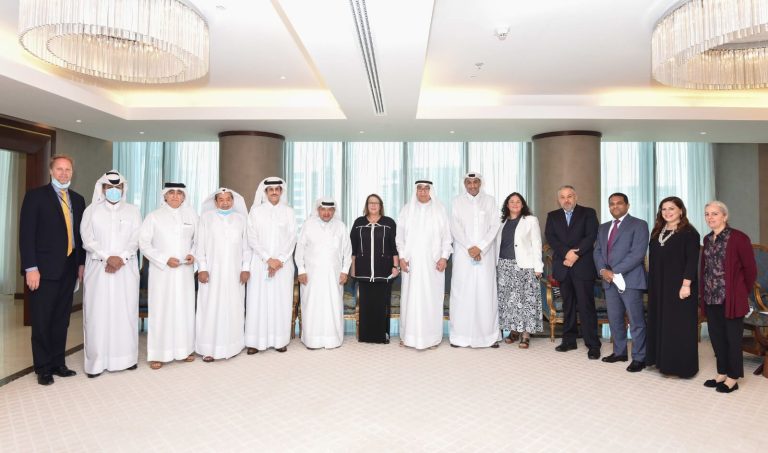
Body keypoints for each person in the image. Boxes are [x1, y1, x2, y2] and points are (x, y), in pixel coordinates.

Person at [19, 154, 86, 385]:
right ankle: (43, 367)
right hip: (42, 271)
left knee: (61, 319)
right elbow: (26, 235)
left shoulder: (78, 199)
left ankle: (58, 363)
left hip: (69, 268)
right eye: (59, 169)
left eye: (68, 170)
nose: (64, 173)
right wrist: (31, 268)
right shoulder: (35, 197)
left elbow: (80, 236)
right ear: (51, 171)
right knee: (42, 320)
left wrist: (81, 264)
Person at [80, 171, 142, 378]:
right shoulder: (91, 211)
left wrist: (120, 258)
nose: (114, 191)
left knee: (125, 313)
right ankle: (96, 362)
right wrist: (108, 257)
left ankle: (126, 359)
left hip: (126, 269)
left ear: (123, 189)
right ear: (103, 188)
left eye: (118, 187)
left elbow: (136, 239)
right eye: (110, 187)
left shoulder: (133, 211)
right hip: (99, 270)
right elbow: (87, 239)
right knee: (97, 314)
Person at [139, 182, 198, 369]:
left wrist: (193, 254)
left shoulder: (192, 216)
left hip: (185, 272)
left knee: (184, 309)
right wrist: (164, 259)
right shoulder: (153, 216)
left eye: (179, 193)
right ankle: (158, 354)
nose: (175, 196)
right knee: (161, 310)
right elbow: (144, 244)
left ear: (184, 196)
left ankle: (185, 350)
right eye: (171, 192)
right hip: (162, 272)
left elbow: (199, 240)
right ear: (164, 196)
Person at [700, 201, 756, 393]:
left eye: (715, 213)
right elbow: (705, 268)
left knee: (732, 338)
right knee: (716, 337)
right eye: (707, 214)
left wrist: (741, 291)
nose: (710, 217)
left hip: (731, 298)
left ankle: (733, 377)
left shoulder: (739, 238)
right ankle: (722, 373)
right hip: (710, 296)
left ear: (725, 216)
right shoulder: (708, 239)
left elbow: (750, 270)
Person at [593, 193, 649, 372]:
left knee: (636, 320)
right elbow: (597, 251)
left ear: (627, 205)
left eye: (619, 203)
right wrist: (603, 271)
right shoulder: (603, 227)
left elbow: (637, 254)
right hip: (609, 281)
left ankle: (640, 357)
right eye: (612, 204)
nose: (615, 206)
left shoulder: (639, 224)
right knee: (615, 318)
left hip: (630, 279)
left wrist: (614, 271)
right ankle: (619, 352)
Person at [544, 185, 601, 359]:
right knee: (568, 305)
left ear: (575, 197)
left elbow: (591, 236)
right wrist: (567, 253)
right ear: (558, 200)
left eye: (569, 196)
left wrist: (575, 254)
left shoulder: (588, 213)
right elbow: (551, 237)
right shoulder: (552, 216)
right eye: (562, 197)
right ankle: (569, 340)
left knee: (586, 306)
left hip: (582, 265)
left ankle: (593, 344)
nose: (566, 200)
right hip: (563, 266)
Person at [195, 188, 251, 362]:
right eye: (221, 199)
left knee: (234, 307)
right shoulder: (206, 218)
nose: (225, 202)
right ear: (215, 202)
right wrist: (202, 268)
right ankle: (209, 348)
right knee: (210, 308)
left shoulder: (241, 219)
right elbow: (199, 246)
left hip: (235, 273)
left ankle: (233, 346)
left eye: (228, 199)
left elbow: (247, 247)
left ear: (233, 201)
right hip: (212, 272)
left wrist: (245, 268)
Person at [646, 196, 700, 378]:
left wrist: (686, 285)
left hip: (680, 286)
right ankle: (662, 362)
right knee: (662, 322)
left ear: (681, 211)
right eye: (664, 209)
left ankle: (681, 367)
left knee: (678, 326)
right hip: (659, 286)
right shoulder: (657, 232)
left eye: (671, 208)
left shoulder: (690, 233)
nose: (667, 212)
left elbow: (692, 262)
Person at [396, 180, 453, 350]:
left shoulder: (440, 210)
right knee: (410, 299)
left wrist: (444, 257)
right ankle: (408, 336)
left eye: (426, 188)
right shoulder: (407, 210)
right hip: (411, 263)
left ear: (431, 191)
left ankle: (432, 338)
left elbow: (447, 237)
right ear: (416, 191)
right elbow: (400, 237)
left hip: (433, 263)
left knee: (431, 299)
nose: (422, 191)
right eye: (419, 188)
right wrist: (402, 257)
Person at [449, 172, 501, 348]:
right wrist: (470, 247)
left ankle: (488, 336)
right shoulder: (457, 202)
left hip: (485, 255)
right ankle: (459, 337)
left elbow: (495, 226)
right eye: (469, 182)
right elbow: (455, 227)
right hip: (464, 255)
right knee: (462, 293)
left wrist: (481, 247)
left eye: (475, 182)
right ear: (464, 184)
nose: (472, 186)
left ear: (480, 183)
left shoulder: (490, 201)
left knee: (485, 293)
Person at [245, 177, 296, 354]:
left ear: (281, 192)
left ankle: (279, 340)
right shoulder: (255, 212)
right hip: (260, 263)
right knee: (257, 301)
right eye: (271, 189)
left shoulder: (289, 212)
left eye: (277, 189)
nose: (274, 192)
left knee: (281, 301)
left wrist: (279, 260)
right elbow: (251, 237)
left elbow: (292, 238)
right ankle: (254, 342)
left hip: (283, 265)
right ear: (265, 192)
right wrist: (268, 259)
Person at [295, 198, 352, 349]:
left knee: (332, 306)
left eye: (330, 210)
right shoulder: (308, 225)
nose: (326, 213)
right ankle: (311, 340)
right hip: (311, 276)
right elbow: (299, 250)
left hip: (334, 276)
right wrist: (301, 270)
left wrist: (345, 271)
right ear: (318, 210)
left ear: (334, 211)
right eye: (323, 209)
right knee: (311, 306)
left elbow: (347, 252)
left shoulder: (340, 227)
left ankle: (333, 339)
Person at [496, 192, 543, 349]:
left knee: (526, 301)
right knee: (509, 301)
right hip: (504, 265)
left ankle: (526, 334)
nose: (515, 204)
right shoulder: (501, 222)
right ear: (507, 205)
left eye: (518, 201)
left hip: (524, 266)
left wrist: (538, 267)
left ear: (522, 205)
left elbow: (537, 243)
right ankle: (514, 331)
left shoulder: (530, 220)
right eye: (512, 201)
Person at [350, 194, 399, 344]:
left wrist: (395, 266)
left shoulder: (389, 222)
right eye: (370, 203)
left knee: (381, 303)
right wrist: (353, 269)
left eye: (376, 203)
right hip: (363, 270)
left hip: (384, 270)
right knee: (366, 304)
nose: (373, 205)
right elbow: (353, 248)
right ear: (366, 205)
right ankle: (365, 336)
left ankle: (382, 335)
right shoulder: (359, 222)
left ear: (380, 206)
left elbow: (394, 247)